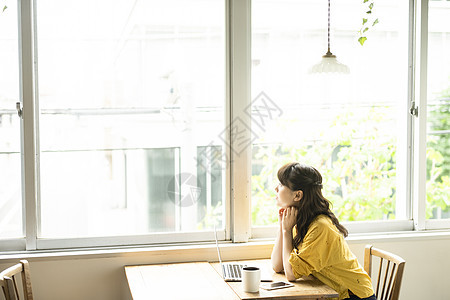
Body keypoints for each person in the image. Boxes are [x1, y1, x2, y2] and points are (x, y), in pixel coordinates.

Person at [270, 162, 376, 300]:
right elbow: (277, 266)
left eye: (281, 184)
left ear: (297, 195)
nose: (275, 188)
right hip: (335, 293)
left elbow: (290, 274)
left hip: (354, 296)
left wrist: (286, 231)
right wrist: (282, 227)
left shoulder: (320, 226)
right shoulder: (301, 220)